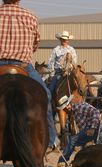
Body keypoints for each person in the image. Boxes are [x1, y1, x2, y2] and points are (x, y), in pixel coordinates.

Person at [0, 0, 59, 148]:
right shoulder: (30, 16)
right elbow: (35, 43)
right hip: (23, 66)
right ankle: (51, 139)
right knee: (46, 95)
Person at [56, 95, 102, 167]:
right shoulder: (75, 111)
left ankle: (62, 161)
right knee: (101, 152)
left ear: (68, 106)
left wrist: (92, 128)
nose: (65, 110)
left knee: (73, 140)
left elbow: (96, 112)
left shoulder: (79, 107)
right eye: (64, 109)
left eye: (65, 108)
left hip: (98, 128)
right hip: (100, 129)